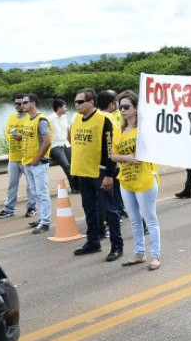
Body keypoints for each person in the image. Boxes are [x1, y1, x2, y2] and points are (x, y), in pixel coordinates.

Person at [70, 88, 123, 261]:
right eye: (75, 102)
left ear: (91, 102)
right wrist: (75, 174)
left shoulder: (104, 120)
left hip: (101, 172)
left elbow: (109, 148)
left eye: (80, 101)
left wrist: (109, 174)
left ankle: (117, 245)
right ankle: (93, 241)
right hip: (83, 172)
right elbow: (76, 145)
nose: (76, 105)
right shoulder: (77, 119)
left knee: (110, 209)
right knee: (89, 209)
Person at [111, 90, 162, 270]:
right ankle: (139, 253)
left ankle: (155, 256)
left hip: (145, 179)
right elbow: (113, 155)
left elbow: (156, 146)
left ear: (135, 108)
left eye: (126, 107)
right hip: (126, 179)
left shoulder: (145, 128)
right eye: (120, 107)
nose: (122, 110)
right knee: (134, 220)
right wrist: (128, 158)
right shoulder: (119, 130)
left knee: (150, 219)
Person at [0, 94, 37, 219]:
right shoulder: (11, 116)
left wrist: (22, 137)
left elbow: (34, 136)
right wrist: (12, 137)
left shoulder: (30, 118)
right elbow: (7, 132)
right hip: (13, 156)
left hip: (27, 157)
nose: (18, 106)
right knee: (12, 184)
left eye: (21, 103)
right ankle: (9, 209)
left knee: (31, 185)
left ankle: (31, 207)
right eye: (16, 104)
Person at [20, 94, 52, 234]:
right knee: (35, 192)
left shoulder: (41, 120)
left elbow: (47, 141)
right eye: (21, 103)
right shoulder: (28, 120)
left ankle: (45, 221)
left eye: (25, 102)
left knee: (42, 192)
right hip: (28, 162)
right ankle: (41, 218)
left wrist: (38, 158)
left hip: (38, 163)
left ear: (33, 103)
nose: (22, 105)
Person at [49, 99, 79, 193]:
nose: (66, 108)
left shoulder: (64, 117)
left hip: (66, 143)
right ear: (59, 108)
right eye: (64, 107)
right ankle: (73, 188)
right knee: (67, 166)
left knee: (74, 165)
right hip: (56, 145)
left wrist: (71, 144)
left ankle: (79, 187)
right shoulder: (50, 119)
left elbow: (68, 131)